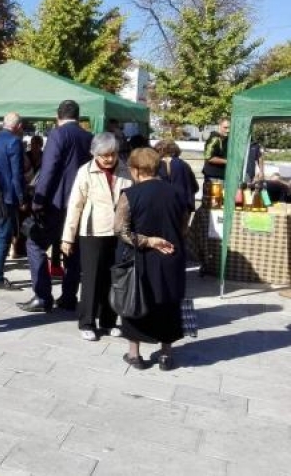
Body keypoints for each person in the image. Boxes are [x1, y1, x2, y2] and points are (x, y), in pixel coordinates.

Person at [115, 147, 188, 371]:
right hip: (171, 256)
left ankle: (135, 354)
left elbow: (121, 230)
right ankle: (166, 354)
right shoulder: (177, 193)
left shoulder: (129, 195)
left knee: (135, 301)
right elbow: (183, 225)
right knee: (168, 303)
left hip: (140, 259)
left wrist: (149, 241)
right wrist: (166, 241)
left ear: (136, 170)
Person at [20, 100, 93, 313]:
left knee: (34, 244)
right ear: (78, 117)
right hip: (80, 202)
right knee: (72, 250)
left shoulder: (58, 135)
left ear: (57, 116)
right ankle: (69, 297)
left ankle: (43, 296)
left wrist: (38, 201)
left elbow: (49, 168)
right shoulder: (88, 137)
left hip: (55, 203)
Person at [61, 132, 133, 341]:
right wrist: (68, 237)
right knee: (92, 278)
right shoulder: (85, 172)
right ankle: (87, 321)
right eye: (104, 155)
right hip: (93, 232)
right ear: (95, 154)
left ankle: (109, 320)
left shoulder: (125, 169)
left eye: (112, 154)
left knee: (113, 278)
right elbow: (75, 205)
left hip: (119, 233)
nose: (109, 159)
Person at [0, 112, 26, 289]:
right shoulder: (14, 142)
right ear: (18, 126)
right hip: (7, 195)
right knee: (4, 236)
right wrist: (22, 198)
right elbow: (16, 174)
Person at [155, 139, 198, 214]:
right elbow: (194, 187)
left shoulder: (157, 165)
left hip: (163, 207)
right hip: (183, 207)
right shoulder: (184, 165)